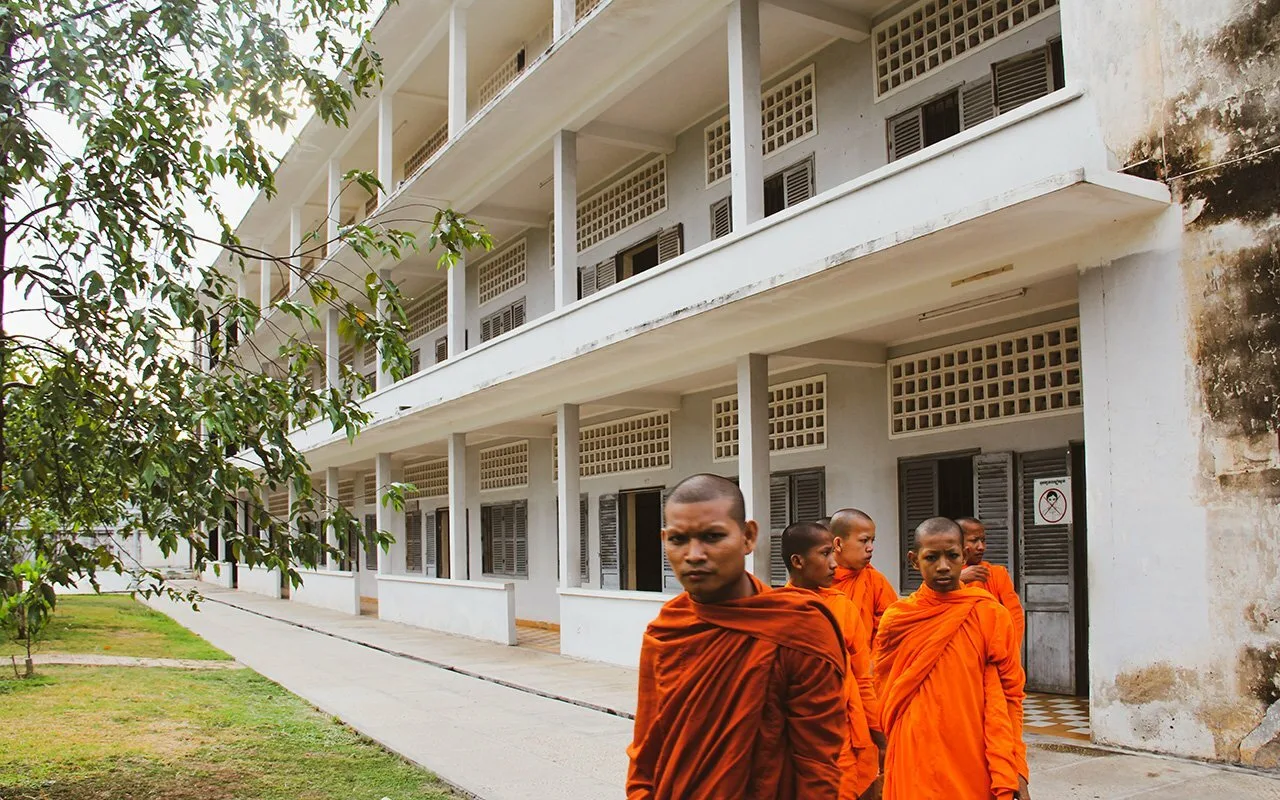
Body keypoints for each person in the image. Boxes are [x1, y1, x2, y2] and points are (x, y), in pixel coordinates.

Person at [627, 474, 847, 799]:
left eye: (712, 536)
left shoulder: (797, 628)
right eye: (677, 540)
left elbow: (818, 765)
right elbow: (647, 748)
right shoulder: (666, 630)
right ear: (664, 540)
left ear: (748, 536)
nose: (694, 554)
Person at [873, 518, 1029, 800]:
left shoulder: (990, 615)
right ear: (914, 560)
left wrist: (1015, 766)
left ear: (964, 556)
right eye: (931, 557)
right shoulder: (898, 619)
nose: (943, 566)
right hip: (914, 749)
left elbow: (1010, 695)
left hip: (972, 751)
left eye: (952, 556)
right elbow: (883, 689)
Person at [781, 521, 885, 800]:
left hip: (843, 733)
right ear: (798, 561)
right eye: (825, 554)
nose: (833, 565)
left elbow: (863, 676)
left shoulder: (842, 606)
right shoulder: (775, 611)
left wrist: (878, 732)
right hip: (795, 738)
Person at [829, 509, 898, 651]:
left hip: (869, 668)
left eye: (872, 541)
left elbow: (889, 630)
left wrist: (870, 665)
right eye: (864, 540)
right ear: (838, 544)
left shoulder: (875, 581)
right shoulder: (819, 580)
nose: (870, 548)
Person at [956, 516, 1026, 646]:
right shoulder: (942, 576)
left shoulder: (996, 574)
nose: (981, 547)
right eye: (974, 540)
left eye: (983, 540)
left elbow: (1015, 615)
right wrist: (956, 579)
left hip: (993, 652)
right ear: (957, 543)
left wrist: (1010, 651)